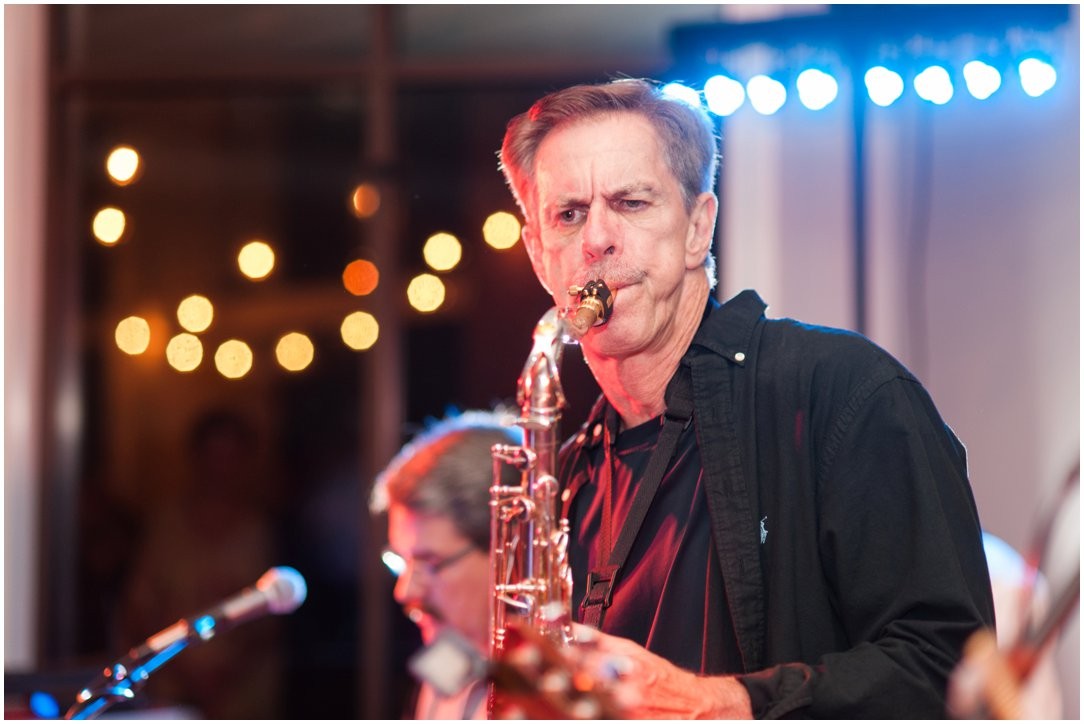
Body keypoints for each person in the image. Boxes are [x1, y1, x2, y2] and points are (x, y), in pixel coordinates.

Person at [496, 77, 996, 718]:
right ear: (539, 253)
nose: (597, 240)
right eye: (568, 216)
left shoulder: (843, 393)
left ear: (697, 230)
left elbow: (953, 676)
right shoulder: (567, 474)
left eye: (631, 203)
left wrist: (721, 704)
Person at [368, 409, 521, 720]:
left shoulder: (561, 690)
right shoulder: (447, 658)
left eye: (429, 562)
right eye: (401, 561)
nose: (404, 591)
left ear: (509, 548)